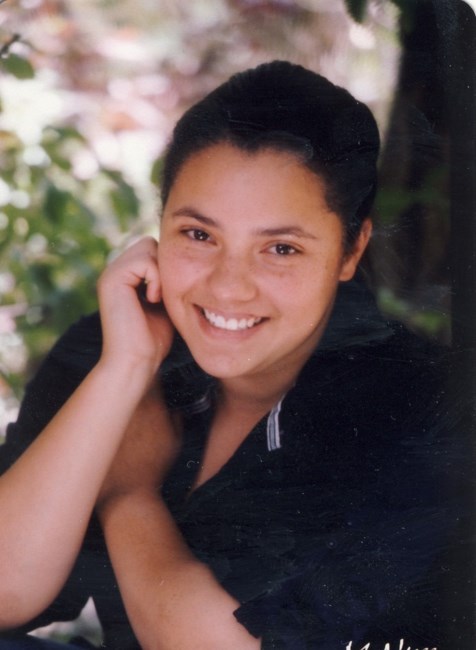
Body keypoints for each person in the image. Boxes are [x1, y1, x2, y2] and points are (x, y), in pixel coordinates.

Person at [0, 61, 469, 650]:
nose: (227, 288)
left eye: (281, 248)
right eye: (199, 235)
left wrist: (129, 495)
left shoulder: (430, 408)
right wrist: (122, 372)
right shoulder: (116, 345)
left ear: (351, 251)